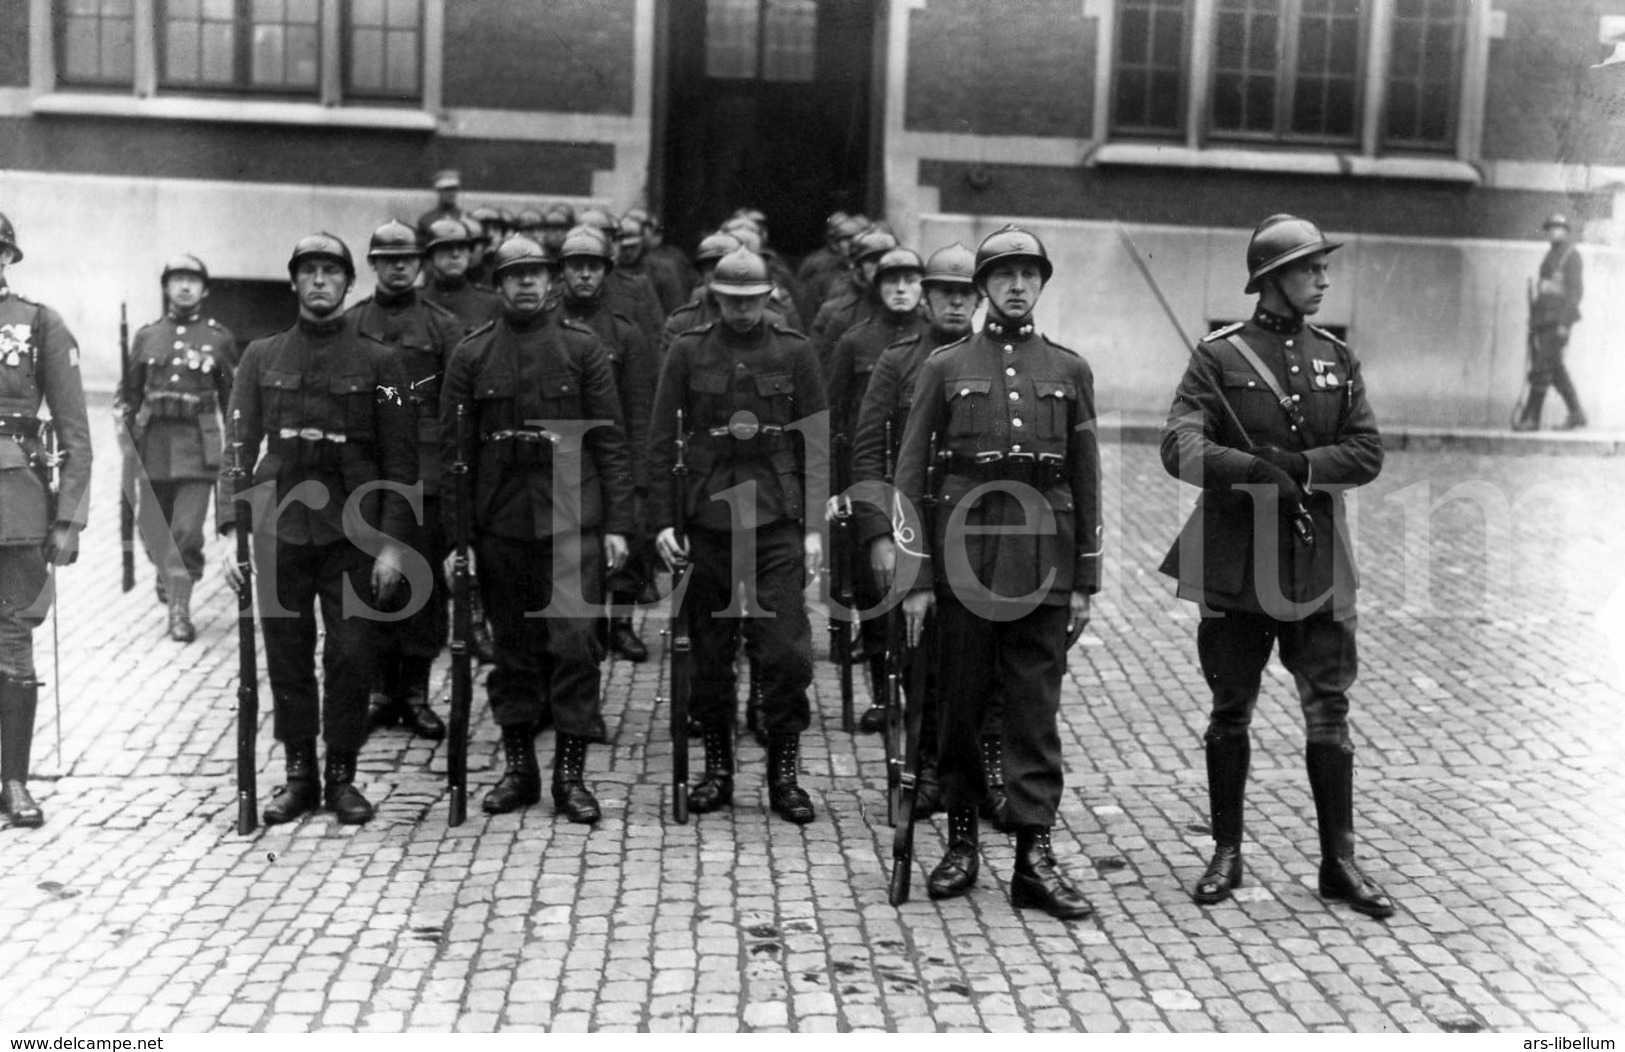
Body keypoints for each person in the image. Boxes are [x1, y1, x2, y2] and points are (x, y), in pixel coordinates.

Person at [1159, 213, 1393, 918]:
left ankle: (1338, 861)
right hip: (1236, 557)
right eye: (1308, 268)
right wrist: (1253, 469)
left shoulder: (1335, 357)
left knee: (1328, 709)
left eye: (1323, 268)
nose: (1322, 279)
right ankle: (1226, 851)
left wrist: (1300, 466)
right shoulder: (1218, 357)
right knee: (1230, 706)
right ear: (1271, 279)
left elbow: (1366, 451)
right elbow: (1177, 445)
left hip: (1315, 558)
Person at [893, 225, 1101, 919]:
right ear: (982, 288)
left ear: (1041, 284)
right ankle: (959, 841)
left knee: (1033, 714)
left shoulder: (1068, 370)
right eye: (1003, 275)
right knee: (958, 705)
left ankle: (1033, 859)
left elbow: (1086, 476)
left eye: (1028, 274)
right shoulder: (945, 367)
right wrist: (916, 577)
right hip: (963, 560)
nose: (1017, 286)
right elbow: (907, 475)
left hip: (1042, 560)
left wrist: (1084, 579)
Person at [220, 233, 416, 827]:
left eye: (332, 271)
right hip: (281, 528)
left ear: (349, 283)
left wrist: (391, 544)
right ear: (294, 282)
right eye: (309, 272)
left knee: (353, 656)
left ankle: (342, 777)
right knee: (286, 655)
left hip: (354, 533)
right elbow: (237, 448)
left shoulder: (385, 365)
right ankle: (300, 775)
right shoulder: (260, 357)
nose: (320, 281)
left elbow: (403, 460)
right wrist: (234, 530)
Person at [439, 237, 635, 823]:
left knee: (575, 644)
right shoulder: (471, 356)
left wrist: (621, 526)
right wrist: (460, 540)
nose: (527, 284)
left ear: (551, 282)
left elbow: (610, 441)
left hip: (573, 518)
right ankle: (520, 769)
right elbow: (455, 457)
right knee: (513, 651)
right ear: (498, 285)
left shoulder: (582, 348)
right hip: (501, 522)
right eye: (514, 275)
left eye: (536, 274)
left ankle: (570, 776)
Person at [647, 247, 826, 825]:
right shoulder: (686, 350)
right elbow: (658, 442)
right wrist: (663, 522)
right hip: (706, 519)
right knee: (709, 655)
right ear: (714, 297)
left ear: (769, 296)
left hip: (775, 520)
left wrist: (815, 529)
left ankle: (783, 773)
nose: (743, 310)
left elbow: (816, 445)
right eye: (732, 300)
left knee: (786, 654)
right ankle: (718, 770)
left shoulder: (794, 352)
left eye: (752, 300)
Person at [348, 220, 465, 741]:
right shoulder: (352, 323)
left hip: (425, 467)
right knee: (370, 577)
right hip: (368, 469)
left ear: (420, 264)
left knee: (421, 581)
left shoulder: (442, 327)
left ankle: (415, 692)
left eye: (408, 258)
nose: (399, 266)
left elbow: (457, 398)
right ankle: (378, 689)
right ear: (372, 264)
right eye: (388, 258)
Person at [0, 211, 92, 828]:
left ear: (7, 257)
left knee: (12, 638)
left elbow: (74, 428)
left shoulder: (38, 323)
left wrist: (70, 518)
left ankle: (12, 780)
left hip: (16, 504)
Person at [827, 246, 928, 733]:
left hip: (921, 481)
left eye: (911, 280)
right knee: (873, 589)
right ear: (878, 286)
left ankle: (920, 689)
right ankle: (884, 692)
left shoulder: (938, 344)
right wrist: (836, 487)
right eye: (892, 281)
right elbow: (836, 419)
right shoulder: (855, 342)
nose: (902, 289)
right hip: (869, 475)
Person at [123, 254, 237, 642]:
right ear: (167, 287)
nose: (185, 287)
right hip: (153, 443)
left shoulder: (219, 338)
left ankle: (179, 608)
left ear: (204, 290)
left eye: (193, 280)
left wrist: (238, 447)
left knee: (186, 532)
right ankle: (167, 574)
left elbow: (231, 400)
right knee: (155, 533)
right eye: (177, 280)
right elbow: (131, 392)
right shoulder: (146, 335)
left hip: (198, 446)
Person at [556, 225, 656, 663]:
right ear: (562, 272)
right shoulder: (549, 326)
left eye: (592, 268)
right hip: (565, 459)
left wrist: (637, 479)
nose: (583, 276)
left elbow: (638, 411)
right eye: (576, 267)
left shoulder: (625, 333)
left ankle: (622, 623)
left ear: (605, 273)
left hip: (610, 456)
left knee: (625, 543)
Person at [1514, 212, 1586, 431]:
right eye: (1551, 228)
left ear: (1566, 232)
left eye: (1560, 228)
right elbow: (1544, 290)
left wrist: (1564, 323)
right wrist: (1534, 322)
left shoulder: (1572, 256)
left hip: (1557, 322)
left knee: (1541, 367)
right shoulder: (1549, 255)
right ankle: (1576, 413)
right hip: (1543, 321)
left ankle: (1532, 419)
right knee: (1554, 368)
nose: (1555, 231)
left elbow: (1575, 293)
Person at [421, 217, 501, 335]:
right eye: (446, 247)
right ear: (431, 255)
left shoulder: (492, 303)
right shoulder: (417, 301)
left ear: (469, 254)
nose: (455, 254)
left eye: (462, 248)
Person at [415, 169, 463, 237]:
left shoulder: (465, 218)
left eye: (454, 189)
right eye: (447, 189)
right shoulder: (426, 221)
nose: (451, 193)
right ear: (438, 191)